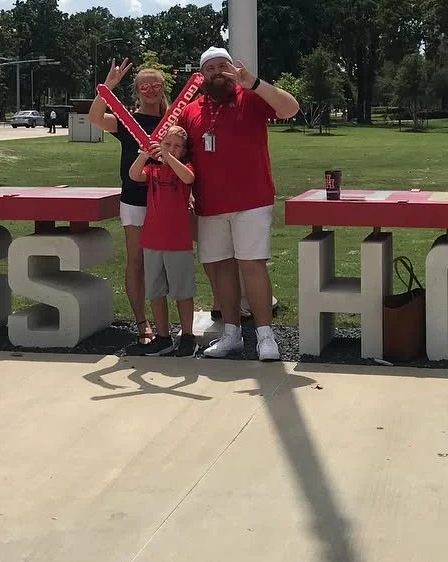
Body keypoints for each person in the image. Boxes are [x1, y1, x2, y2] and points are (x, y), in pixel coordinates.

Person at [179, 47, 300, 361]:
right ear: (202, 75)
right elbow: (183, 156)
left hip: (251, 200)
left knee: (252, 265)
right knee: (221, 271)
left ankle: (265, 337)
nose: (217, 72)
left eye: (223, 65)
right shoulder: (191, 111)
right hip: (209, 204)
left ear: (233, 68)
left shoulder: (252, 96)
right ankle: (231, 334)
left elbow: (291, 108)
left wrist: (255, 82)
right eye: (210, 69)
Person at [89, 60, 168, 345]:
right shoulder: (125, 121)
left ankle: (168, 324)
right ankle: (142, 323)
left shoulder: (175, 118)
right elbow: (96, 118)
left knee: (170, 261)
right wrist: (107, 87)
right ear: (136, 91)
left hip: (169, 200)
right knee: (136, 261)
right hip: (135, 199)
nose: (151, 91)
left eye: (156, 85)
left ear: (163, 89)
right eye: (144, 86)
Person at [129, 126, 198, 357]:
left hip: (177, 241)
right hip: (152, 240)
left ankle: (188, 335)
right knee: (156, 291)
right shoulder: (153, 170)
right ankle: (163, 335)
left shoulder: (184, 168)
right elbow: (133, 175)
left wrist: (168, 157)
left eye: (177, 146)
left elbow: (189, 177)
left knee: (182, 292)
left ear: (184, 150)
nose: (171, 149)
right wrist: (145, 153)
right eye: (167, 144)